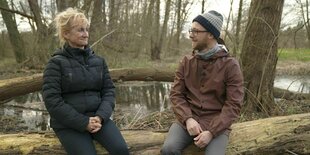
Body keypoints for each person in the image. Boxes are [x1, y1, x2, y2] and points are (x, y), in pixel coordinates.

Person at [42, 8, 129, 155]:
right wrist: (83, 122)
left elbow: (109, 91)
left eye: (87, 29)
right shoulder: (55, 63)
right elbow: (52, 100)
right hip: (69, 124)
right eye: (80, 30)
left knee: (121, 150)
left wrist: (100, 117)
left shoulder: (99, 61)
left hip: (98, 119)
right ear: (66, 34)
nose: (86, 34)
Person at [161, 10, 244, 155]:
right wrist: (188, 119)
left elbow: (233, 104)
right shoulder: (186, 62)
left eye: (196, 31)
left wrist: (212, 132)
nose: (191, 34)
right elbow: (176, 94)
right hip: (186, 121)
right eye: (190, 30)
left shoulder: (231, 65)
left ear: (211, 34)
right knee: (168, 149)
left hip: (217, 124)